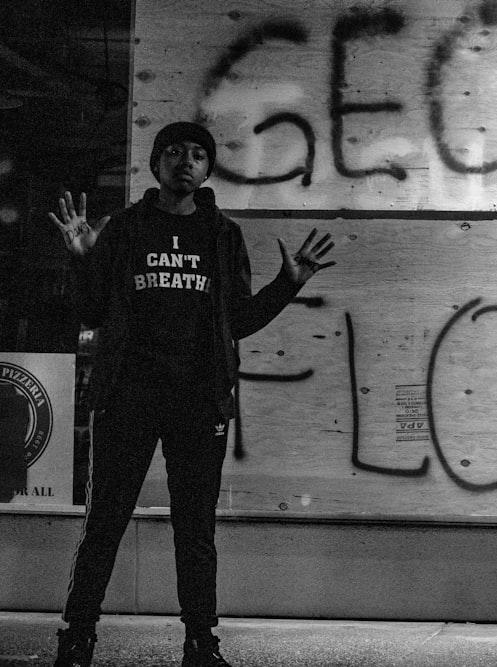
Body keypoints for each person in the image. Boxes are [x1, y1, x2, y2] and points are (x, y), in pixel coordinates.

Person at [47, 121, 335, 667]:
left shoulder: (222, 236)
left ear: (206, 170)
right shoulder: (126, 229)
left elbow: (239, 321)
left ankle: (201, 643)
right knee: (105, 523)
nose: (186, 160)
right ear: (156, 166)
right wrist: (82, 257)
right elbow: (88, 312)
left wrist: (286, 285)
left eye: (198, 154)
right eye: (175, 151)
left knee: (196, 530)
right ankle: (77, 637)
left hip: (198, 402)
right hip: (127, 397)